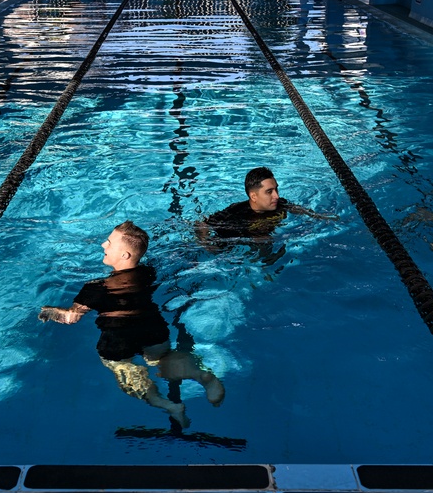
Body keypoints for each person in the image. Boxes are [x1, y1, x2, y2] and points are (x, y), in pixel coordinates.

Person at [39, 221, 224, 427]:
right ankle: (202, 375)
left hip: (118, 339)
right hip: (153, 329)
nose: (103, 245)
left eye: (109, 243)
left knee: (123, 368)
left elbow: (70, 318)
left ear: (124, 255)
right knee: (162, 357)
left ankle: (166, 404)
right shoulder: (148, 273)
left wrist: (48, 311)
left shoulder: (95, 289)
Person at [196, 167, 335, 245]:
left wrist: (318, 216)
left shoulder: (279, 203)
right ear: (253, 196)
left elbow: (295, 208)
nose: (277, 196)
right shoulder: (234, 214)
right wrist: (207, 245)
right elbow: (201, 224)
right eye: (269, 192)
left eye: (276, 189)